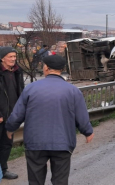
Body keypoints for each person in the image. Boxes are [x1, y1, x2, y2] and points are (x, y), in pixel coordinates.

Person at [5, 55, 94, 185]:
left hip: (35, 143)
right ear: (62, 69)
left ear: (46, 68)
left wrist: (10, 128)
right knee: (60, 180)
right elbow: (81, 116)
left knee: (35, 181)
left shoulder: (31, 88)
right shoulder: (73, 91)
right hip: (62, 143)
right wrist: (88, 132)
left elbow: (17, 114)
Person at [0, 47, 24, 180]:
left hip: (11, 116)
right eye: (10, 56)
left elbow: (21, 91)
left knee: (6, 144)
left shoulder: (17, 71)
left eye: (15, 56)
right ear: (2, 58)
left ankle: (3, 170)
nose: (13, 59)